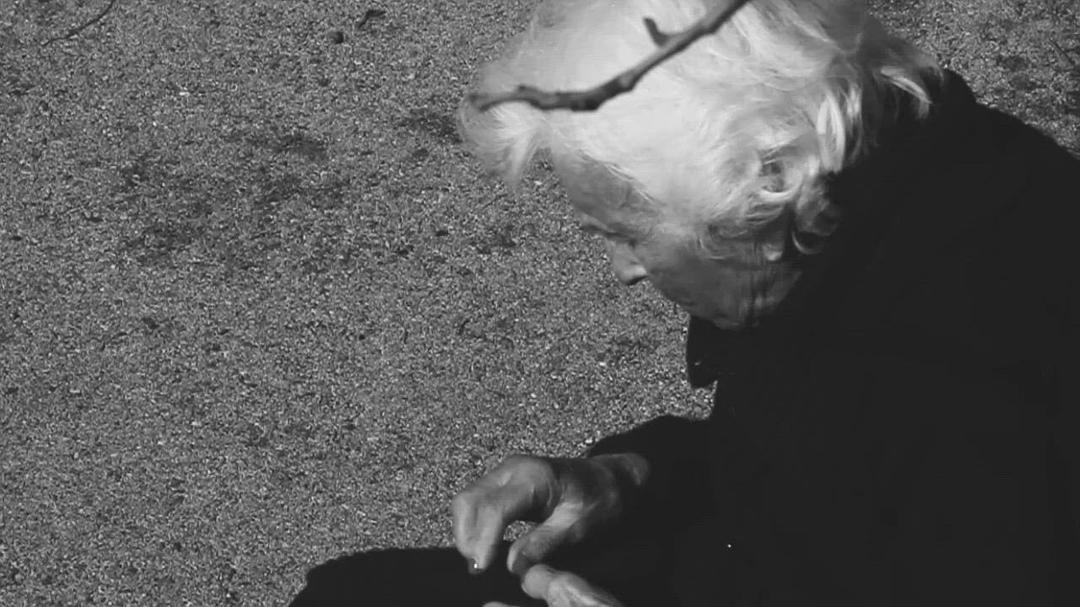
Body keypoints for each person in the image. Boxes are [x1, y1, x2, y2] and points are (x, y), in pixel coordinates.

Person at [290, 0, 1079, 605]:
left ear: (768, 187)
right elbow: (802, 469)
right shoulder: (867, 197)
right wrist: (625, 478)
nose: (625, 271)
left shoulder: (977, 395)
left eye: (631, 235)